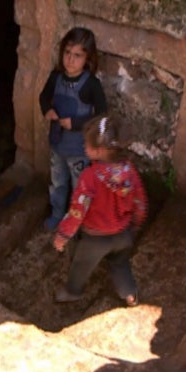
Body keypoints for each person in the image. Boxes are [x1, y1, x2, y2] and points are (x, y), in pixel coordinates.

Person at [52, 115, 148, 307]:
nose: (83, 147)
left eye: (86, 145)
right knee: (120, 264)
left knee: (81, 265)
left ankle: (72, 292)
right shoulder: (129, 171)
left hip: (96, 239)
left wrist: (62, 236)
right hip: (123, 235)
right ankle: (130, 294)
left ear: (99, 151)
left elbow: (77, 212)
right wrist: (135, 225)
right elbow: (140, 202)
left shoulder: (90, 177)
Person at [39, 27, 107, 231]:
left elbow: (102, 116)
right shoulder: (56, 77)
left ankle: (78, 221)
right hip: (57, 146)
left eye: (77, 55)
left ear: (87, 58)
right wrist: (47, 109)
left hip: (78, 150)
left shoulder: (91, 85)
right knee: (58, 182)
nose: (70, 60)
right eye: (67, 53)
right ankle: (57, 213)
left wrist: (76, 124)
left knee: (80, 188)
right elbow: (43, 96)